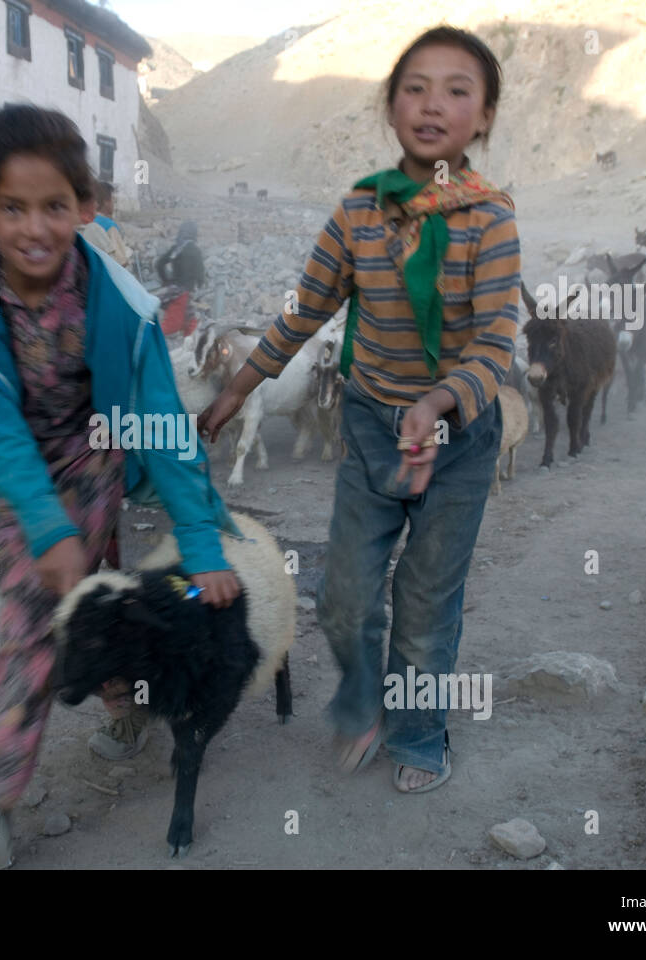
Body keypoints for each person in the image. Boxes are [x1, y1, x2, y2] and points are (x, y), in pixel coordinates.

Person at [200, 26, 520, 795]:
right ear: (389, 106)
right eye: (415, 87)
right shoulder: (357, 213)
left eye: (457, 89)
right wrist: (237, 390)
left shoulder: (492, 220)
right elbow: (304, 313)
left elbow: (496, 341)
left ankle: (418, 731)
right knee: (343, 597)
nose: (433, 104)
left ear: (484, 117)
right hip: (374, 428)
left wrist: (440, 400)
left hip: (460, 440)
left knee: (422, 601)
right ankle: (360, 700)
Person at [0, 104, 241, 869]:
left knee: (101, 600)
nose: (34, 227)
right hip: (22, 474)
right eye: (11, 208)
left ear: (86, 207)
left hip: (99, 466)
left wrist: (199, 541)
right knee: (32, 627)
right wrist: (44, 523)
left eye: (54, 206)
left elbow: (162, 424)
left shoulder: (125, 306)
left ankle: (124, 711)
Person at [154, 220, 204, 336]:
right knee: (173, 324)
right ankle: (150, 338)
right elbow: (200, 273)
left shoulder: (176, 248)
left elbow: (160, 264)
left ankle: (191, 348)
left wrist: (166, 281)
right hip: (184, 292)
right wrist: (199, 286)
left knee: (190, 321)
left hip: (174, 289)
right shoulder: (195, 250)